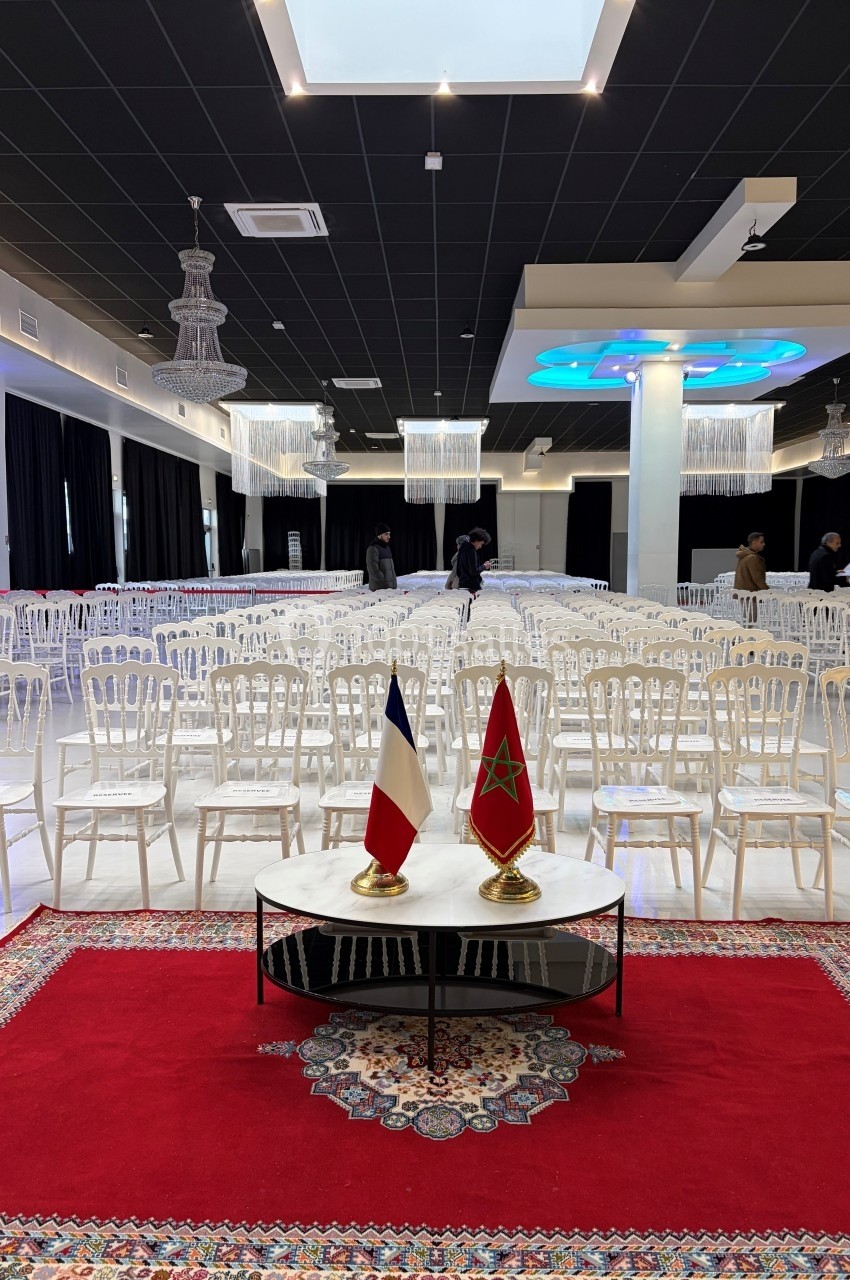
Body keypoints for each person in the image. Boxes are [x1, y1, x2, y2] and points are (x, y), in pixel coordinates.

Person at [455, 526, 491, 596]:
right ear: (477, 540)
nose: (480, 546)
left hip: (463, 585)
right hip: (471, 587)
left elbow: (458, 571)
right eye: (481, 543)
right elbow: (474, 571)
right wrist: (484, 566)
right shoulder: (471, 551)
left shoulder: (462, 550)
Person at [365, 522, 397, 591]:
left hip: (389, 588)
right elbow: (372, 569)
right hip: (380, 589)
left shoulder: (387, 548)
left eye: (389, 534)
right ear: (379, 535)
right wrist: (383, 581)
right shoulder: (373, 548)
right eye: (386, 534)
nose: (389, 537)